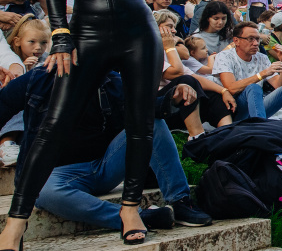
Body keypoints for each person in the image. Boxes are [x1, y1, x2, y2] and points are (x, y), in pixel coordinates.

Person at [1, 0, 218, 251]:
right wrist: (61, 35)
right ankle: (16, 221)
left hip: (139, 33)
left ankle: (131, 206)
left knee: (139, 124)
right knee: (54, 122)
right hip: (85, 33)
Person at [0, 65, 212, 232]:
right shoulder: (38, 79)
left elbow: (147, 106)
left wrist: (174, 94)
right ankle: (139, 216)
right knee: (45, 191)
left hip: (104, 166)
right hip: (56, 174)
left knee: (152, 122)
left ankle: (181, 201)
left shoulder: (110, 80)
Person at [212, 21, 282, 121]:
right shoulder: (224, 56)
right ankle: (261, 128)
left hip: (256, 107)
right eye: (250, 39)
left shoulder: (262, 58)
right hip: (233, 110)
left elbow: (279, 86)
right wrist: (262, 74)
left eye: (257, 39)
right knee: (253, 88)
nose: (256, 43)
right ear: (236, 41)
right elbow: (231, 88)